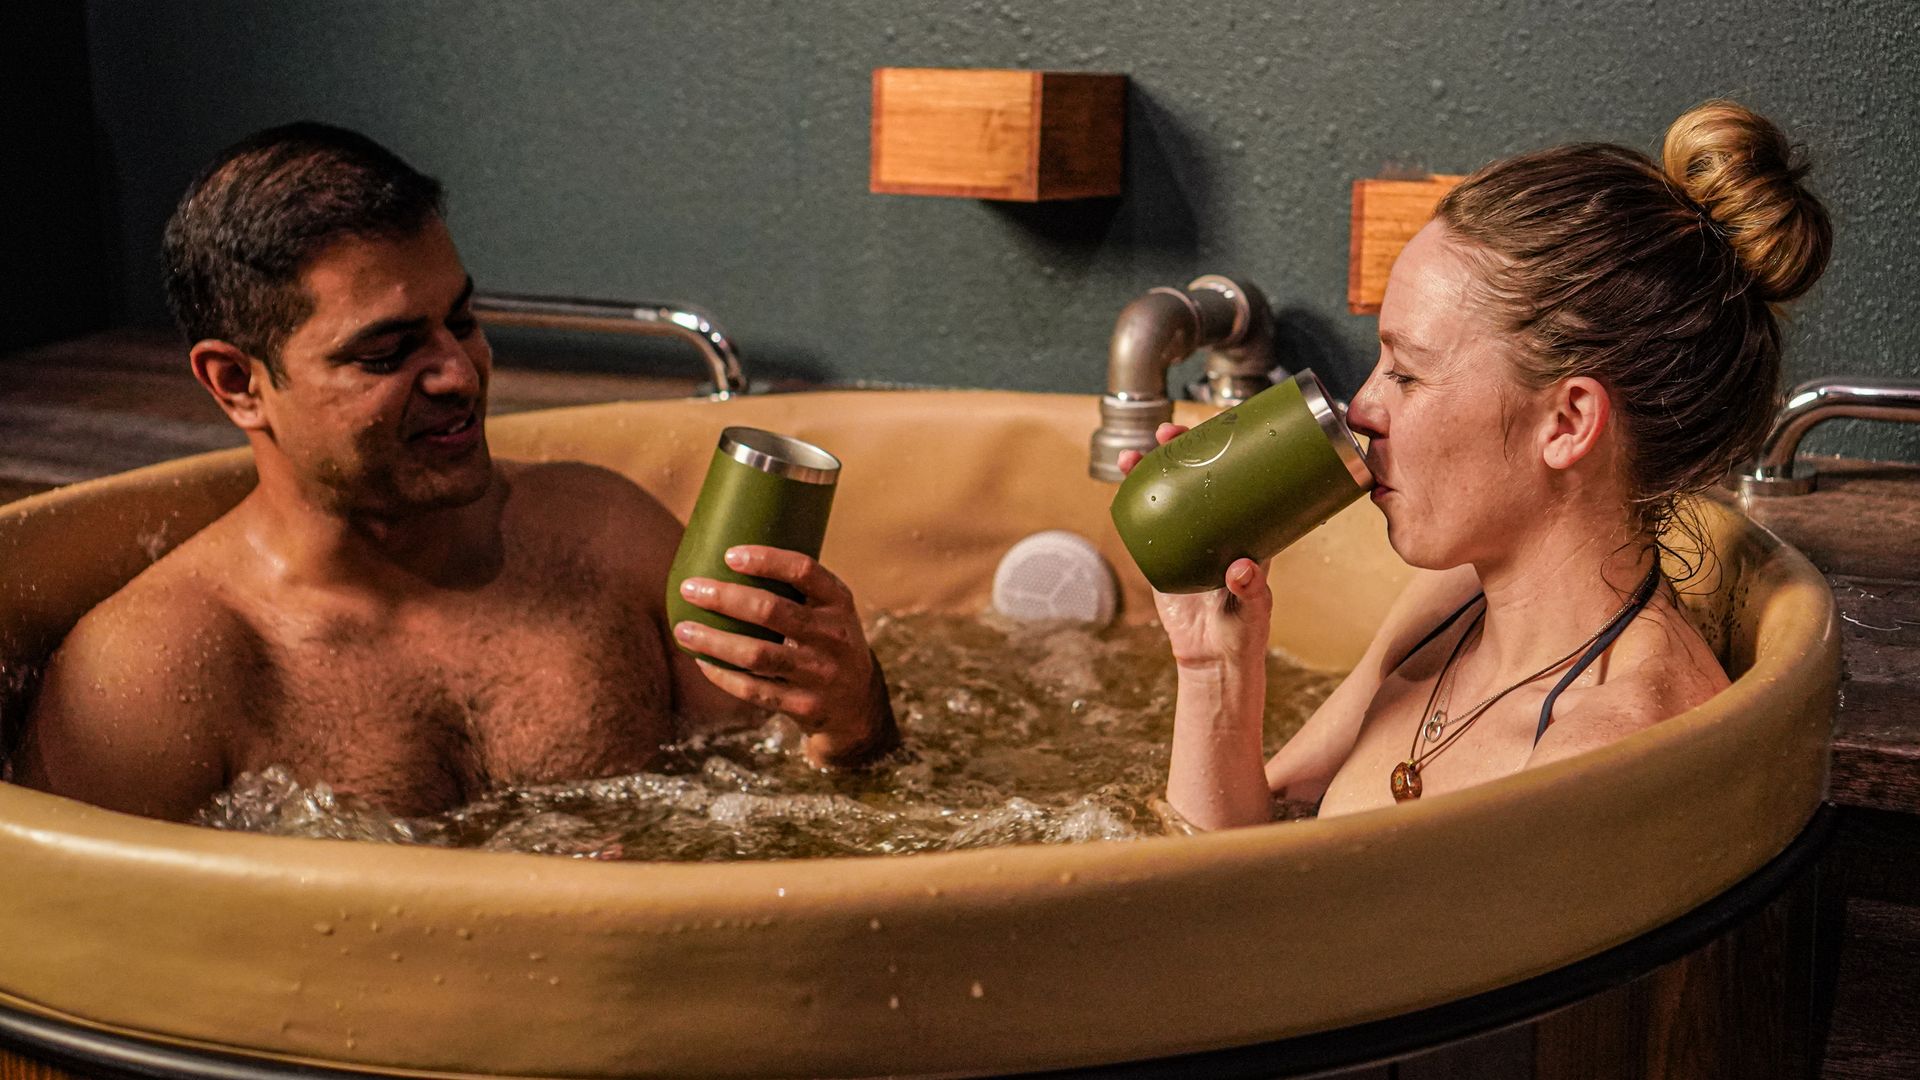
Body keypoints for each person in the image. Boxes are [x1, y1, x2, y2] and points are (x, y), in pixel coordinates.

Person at [12, 123, 895, 821]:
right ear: (239, 383)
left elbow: (801, 816)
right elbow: (101, 957)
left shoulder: (603, 536)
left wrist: (853, 720)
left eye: (461, 321)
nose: (459, 374)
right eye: (389, 351)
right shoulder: (155, 673)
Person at [1123, 100, 1832, 827]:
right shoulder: (1452, 604)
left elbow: (1232, 923)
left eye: (1407, 372)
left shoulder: (1602, 759)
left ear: (1567, 422)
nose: (1361, 406)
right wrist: (1214, 669)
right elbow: (1231, 869)